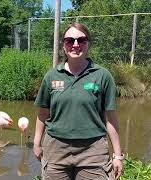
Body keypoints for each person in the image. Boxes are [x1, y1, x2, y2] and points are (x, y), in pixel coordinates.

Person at [33, 22, 124, 180]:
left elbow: (110, 119)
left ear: (88, 44)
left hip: (93, 151)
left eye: (81, 40)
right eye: (70, 41)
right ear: (63, 45)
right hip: (55, 149)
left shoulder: (103, 76)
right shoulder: (51, 76)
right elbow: (42, 114)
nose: (75, 45)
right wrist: (36, 142)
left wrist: (117, 155)